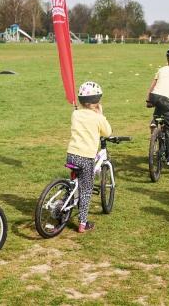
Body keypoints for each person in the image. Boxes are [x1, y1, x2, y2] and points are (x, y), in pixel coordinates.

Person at [67, 81, 112, 233]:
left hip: (71, 154)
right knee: (86, 190)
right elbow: (107, 132)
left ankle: (66, 203)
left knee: (75, 184)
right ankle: (82, 224)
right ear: (97, 101)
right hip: (86, 157)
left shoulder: (75, 113)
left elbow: (80, 116)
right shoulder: (97, 117)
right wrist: (101, 114)